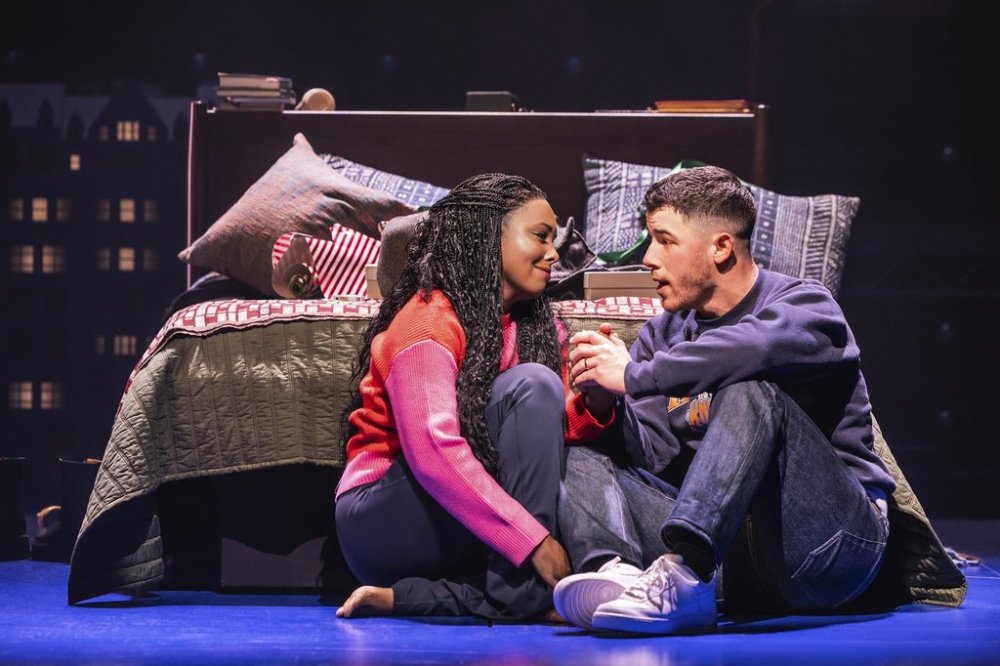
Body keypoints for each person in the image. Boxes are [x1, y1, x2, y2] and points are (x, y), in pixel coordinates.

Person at [552, 165, 896, 634]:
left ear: (720, 247)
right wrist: (604, 403)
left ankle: (684, 572)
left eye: (665, 240)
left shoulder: (807, 307)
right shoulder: (662, 335)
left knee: (751, 389)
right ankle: (617, 574)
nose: (648, 258)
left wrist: (633, 376)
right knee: (580, 447)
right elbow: (653, 453)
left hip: (830, 547)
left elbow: (756, 349)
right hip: (731, 555)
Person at [334, 173, 612, 621]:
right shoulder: (428, 320)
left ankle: (419, 597)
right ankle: (526, 594)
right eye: (540, 236)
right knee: (533, 383)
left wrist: (596, 400)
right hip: (380, 520)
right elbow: (432, 451)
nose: (554, 253)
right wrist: (532, 541)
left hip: (458, 523)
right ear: (488, 237)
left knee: (537, 387)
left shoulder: (534, 328)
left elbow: (541, 437)